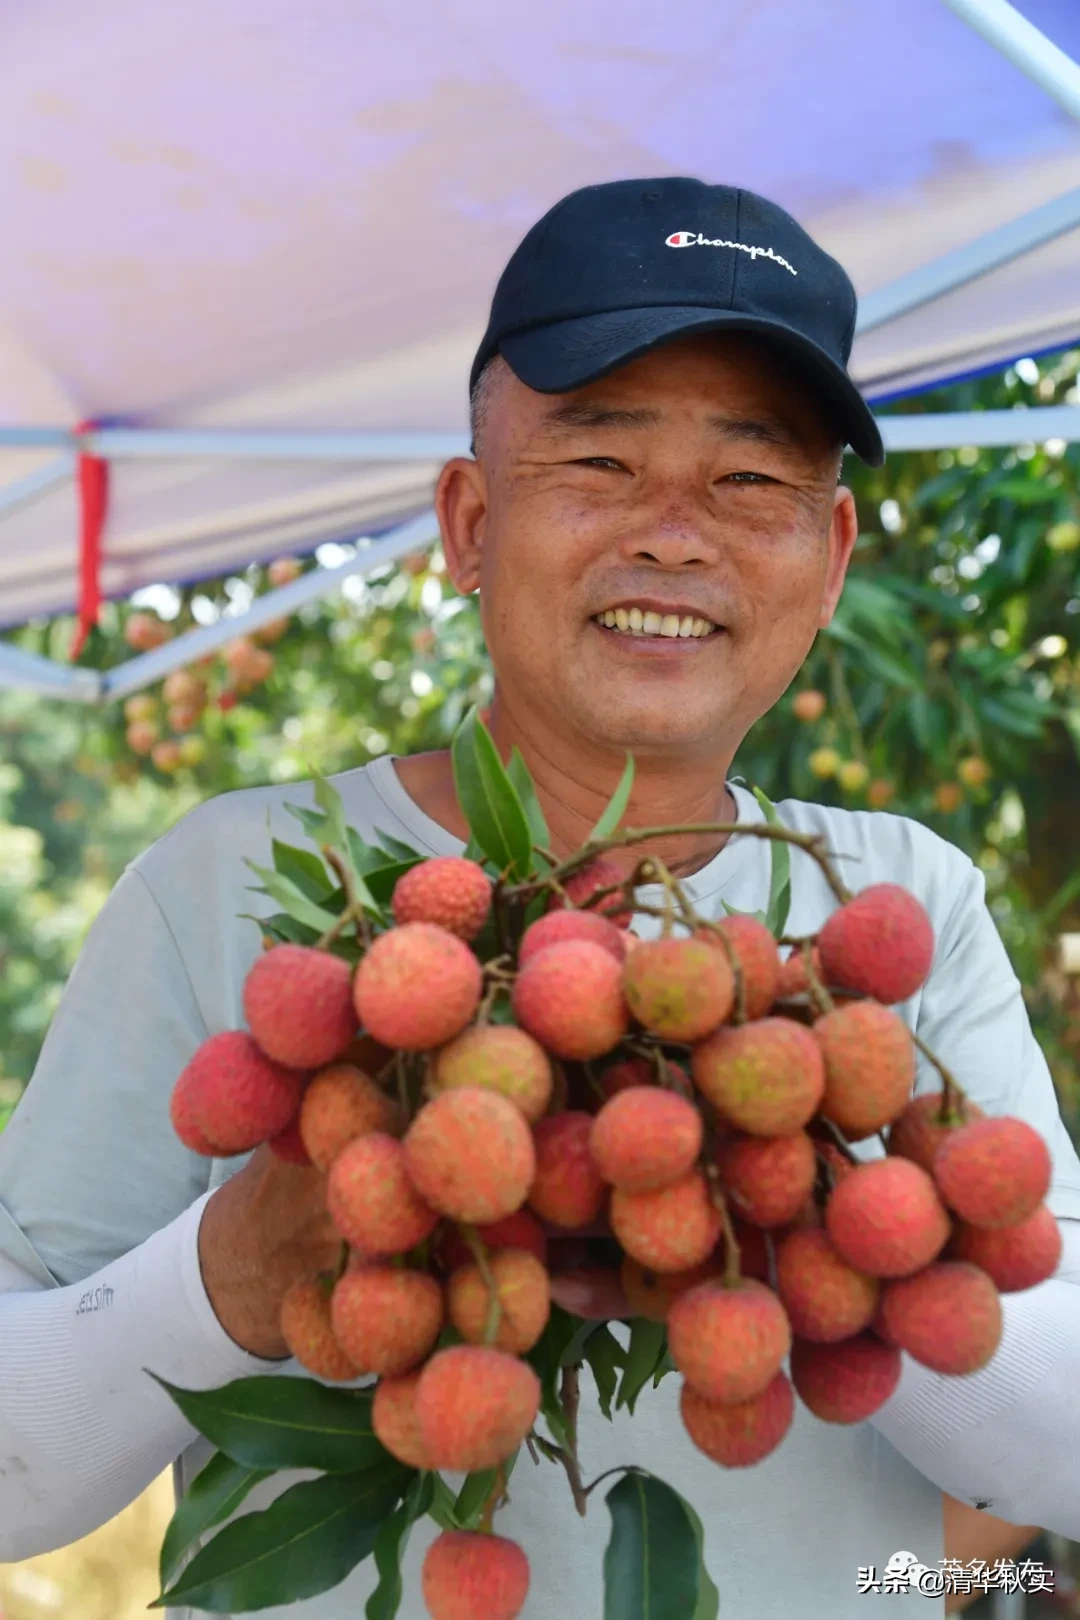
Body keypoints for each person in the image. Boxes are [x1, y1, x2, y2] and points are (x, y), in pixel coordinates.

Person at [1, 177, 1078, 1620]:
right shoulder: (232, 886)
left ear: (827, 564)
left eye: (751, 481)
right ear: (467, 521)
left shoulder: (900, 911)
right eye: (602, 461)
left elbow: (1059, 1459)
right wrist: (235, 1265)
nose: (677, 534)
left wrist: (824, 1198)